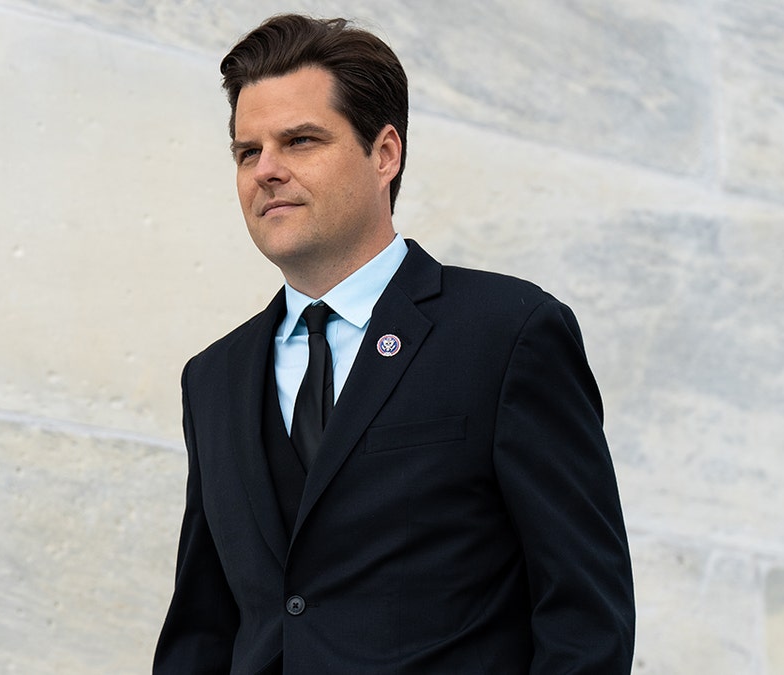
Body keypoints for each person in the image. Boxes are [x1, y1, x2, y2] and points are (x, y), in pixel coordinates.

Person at [154, 14, 634, 674]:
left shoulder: (507, 332)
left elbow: (585, 616)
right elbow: (203, 631)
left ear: (385, 154)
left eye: (299, 140)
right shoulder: (212, 378)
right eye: (247, 151)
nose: (267, 170)